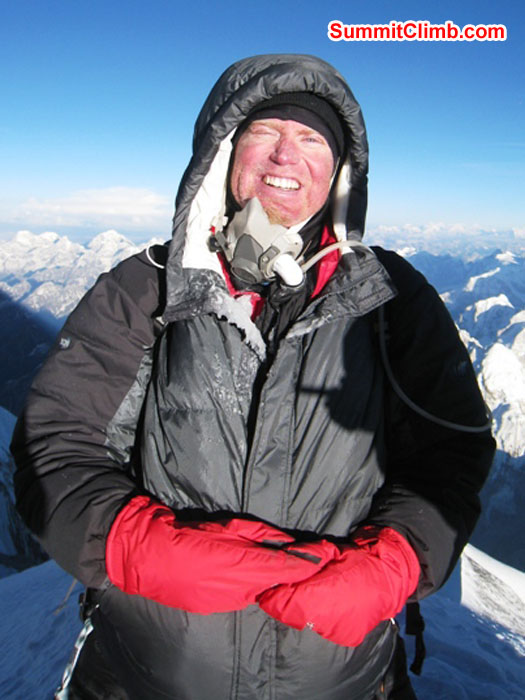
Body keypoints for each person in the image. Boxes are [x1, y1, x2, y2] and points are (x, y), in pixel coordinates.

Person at [12, 54, 495, 700]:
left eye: (311, 139)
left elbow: (452, 453)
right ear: (225, 152)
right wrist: (136, 546)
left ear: (339, 173)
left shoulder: (391, 301)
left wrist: (395, 562)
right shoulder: (145, 289)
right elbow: (54, 443)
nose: (284, 156)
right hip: (138, 680)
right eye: (264, 131)